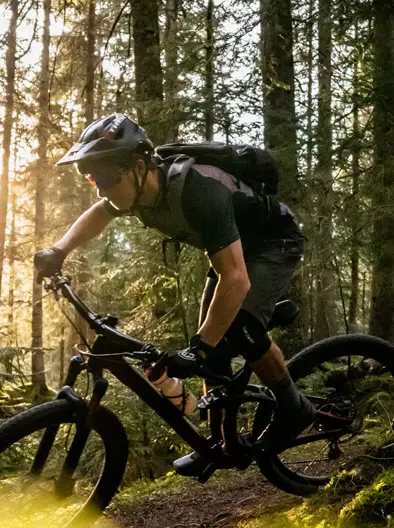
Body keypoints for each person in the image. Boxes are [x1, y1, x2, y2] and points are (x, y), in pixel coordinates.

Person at [33, 113, 314, 477]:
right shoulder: (135, 192)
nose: (101, 189)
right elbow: (100, 212)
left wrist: (200, 347)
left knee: (235, 328)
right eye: (93, 180)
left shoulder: (197, 190)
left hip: (273, 243)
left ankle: (294, 408)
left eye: (106, 179)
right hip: (233, 250)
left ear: (138, 167)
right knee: (211, 342)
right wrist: (59, 251)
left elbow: (236, 279)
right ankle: (220, 443)